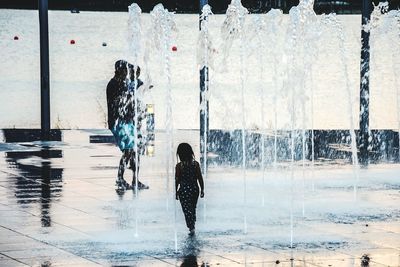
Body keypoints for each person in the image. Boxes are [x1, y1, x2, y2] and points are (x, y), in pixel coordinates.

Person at [106, 60, 148, 190]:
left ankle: (135, 179)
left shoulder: (123, 83)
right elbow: (119, 104)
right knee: (128, 151)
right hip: (118, 123)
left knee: (135, 150)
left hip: (127, 122)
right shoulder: (114, 84)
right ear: (120, 70)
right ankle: (120, 178)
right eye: (126, 70)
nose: (127, 73)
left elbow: (134, 88)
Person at [175, 143, 204, 236]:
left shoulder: (179, 166)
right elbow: (200, 178)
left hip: (183, 191)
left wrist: (175, 191)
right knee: (192, 207)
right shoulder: (195, 164)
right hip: (194, 190)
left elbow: (177, 179)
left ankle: (191, 226)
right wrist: (202, 189)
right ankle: (192, 222)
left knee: (186, 209)